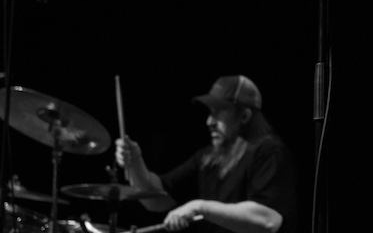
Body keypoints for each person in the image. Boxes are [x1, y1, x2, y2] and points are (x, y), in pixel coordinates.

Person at [115, 75, 296, 233]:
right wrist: (135, 162)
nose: (210, 122)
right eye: (210, 113)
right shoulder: (208, 157)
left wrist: (200, 206)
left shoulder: (268, 152)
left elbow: (268, 220)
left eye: (219, 113)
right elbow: (156, 200)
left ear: (244, 116)